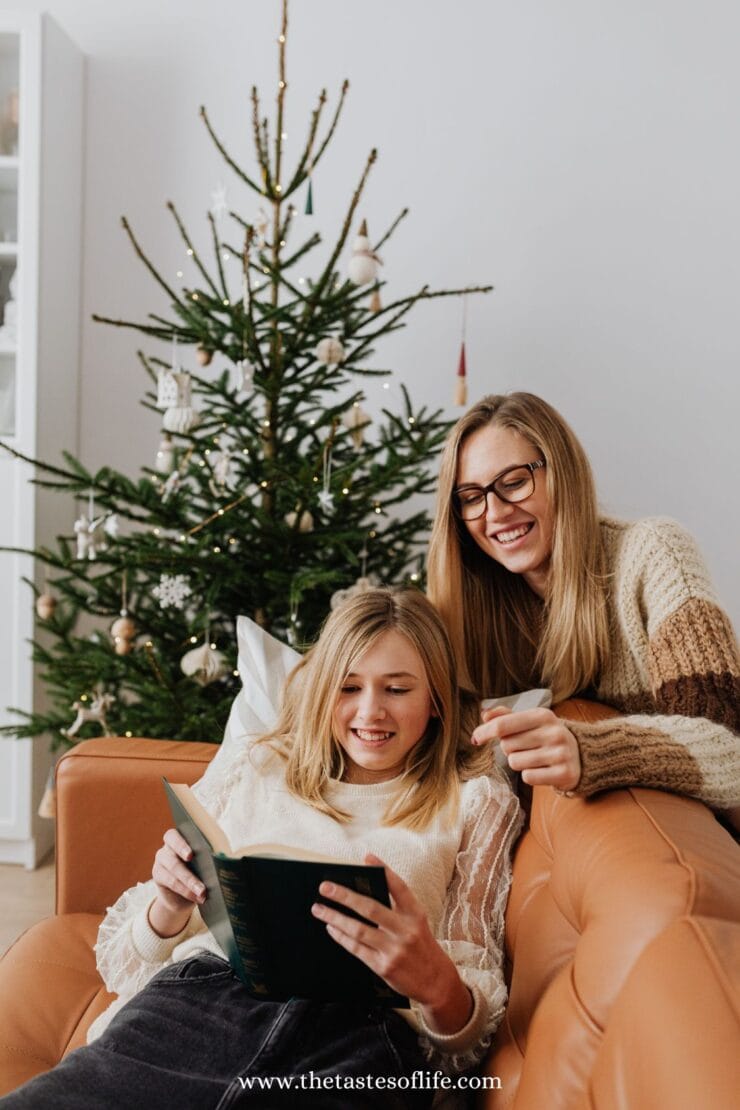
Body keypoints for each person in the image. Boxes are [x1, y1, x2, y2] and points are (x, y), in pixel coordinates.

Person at [1, 589, 521, 1109]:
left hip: (358, 1034)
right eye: (349, 686)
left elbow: (467, 1035)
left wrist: (431, 980)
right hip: (199, 1001)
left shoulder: (475, 798)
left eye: (397, 689)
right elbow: (127, 961)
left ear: (435, 700)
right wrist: (169, 904)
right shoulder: (259, 762)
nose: (370, 711)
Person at [427, 392, 740, 828]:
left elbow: (730, 749)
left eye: (514, 482)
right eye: (470, 496)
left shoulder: (655, 554)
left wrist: (590, 750)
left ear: (562, 471)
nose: (494, 513)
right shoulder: (476, 607)